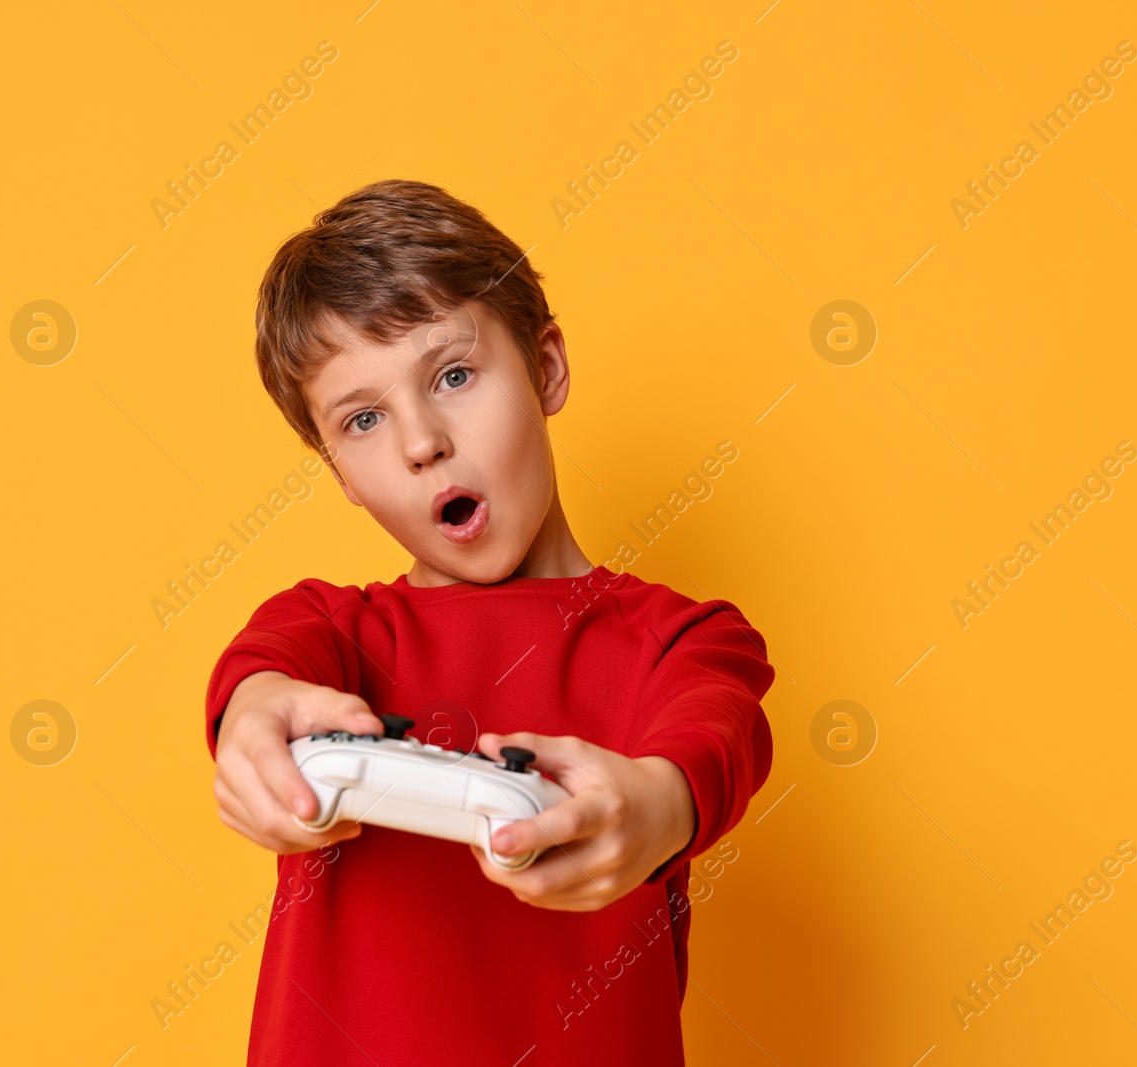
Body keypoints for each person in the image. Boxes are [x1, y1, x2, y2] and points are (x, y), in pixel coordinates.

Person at [204, 179, 775, 1065]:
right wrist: (252, 717)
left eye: (455, 374)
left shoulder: (685, 638)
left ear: (545, 368)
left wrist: (659, 807)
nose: (421, 440)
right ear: (343, 476)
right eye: (363, 419)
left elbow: (715, 740)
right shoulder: (333, 631)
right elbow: (265, 669)